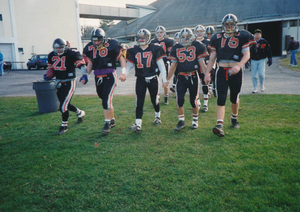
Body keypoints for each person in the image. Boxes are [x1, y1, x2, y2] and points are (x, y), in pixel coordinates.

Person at [206, 14, 255, 137]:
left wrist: (239, 66)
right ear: (223, 25)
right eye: (227, 24)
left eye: (231, 24)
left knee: (234, 97)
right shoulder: (216, 37)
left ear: (235, 25)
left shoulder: (242, 36)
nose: (229, 27)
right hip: (221, 70)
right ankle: (219, 125)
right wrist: (207, 73)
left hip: (236, 70)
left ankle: (234, 118)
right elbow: (212, 57)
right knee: (221, 98)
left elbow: (246, 54)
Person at [82, 28, 126, 135]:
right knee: (104, 98)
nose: (96, 42)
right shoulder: (89, 47)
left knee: (106, 99)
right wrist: (85, 75)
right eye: (94, 40)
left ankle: (107, 123)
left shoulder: (113, 44)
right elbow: (90, 62)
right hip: (97, 76)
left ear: (104, 38)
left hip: (110, 75)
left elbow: (121, 58)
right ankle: (112, 119)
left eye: (98, 40)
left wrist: (123, 72)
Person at [165, 28, 209, 131]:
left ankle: (195, 120)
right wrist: (167, 79)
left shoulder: (198, 45)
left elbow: (202, 63)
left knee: (193, 101)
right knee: (179, 100)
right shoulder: (176, 47)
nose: (185, 39)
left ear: (192, 37)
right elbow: (173, 66)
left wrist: (207, 74)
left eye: (187, 37)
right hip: (181, 76)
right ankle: (181, 121)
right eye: (183, 37)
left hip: (193, 75)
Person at [125, 28, 167, 132]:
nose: (142, 39)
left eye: (144, 37)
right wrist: (124, 73)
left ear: (148, 38)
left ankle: (157, 116)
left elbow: (161, 65)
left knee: (154, 100)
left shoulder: (155, 48)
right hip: (140, 79)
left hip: (153, 78)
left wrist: (164, 79)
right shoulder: (133, 49)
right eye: (140, 37)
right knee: (139, 102)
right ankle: (138, 124)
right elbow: (129, 65)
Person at [43, 38, 87, 135]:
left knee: (63, 106)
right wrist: (48, 75)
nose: (58, 50)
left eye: (60, 48)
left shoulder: (72, 53)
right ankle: (80, 113)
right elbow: (51, 69)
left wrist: (84, 74)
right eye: (56, 48)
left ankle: (64, 126)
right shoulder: (51, 55)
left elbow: (81, 65)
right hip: (59, 82)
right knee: (65, 104)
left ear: (65, 47)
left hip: (69, 82)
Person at [151, 26, 174, 105]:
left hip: (164, 61)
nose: (159, 34)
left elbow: (170, 53)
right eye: (158, 32)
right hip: (155, 62)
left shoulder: (168, 41)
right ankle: (157, 96)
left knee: (165, 80)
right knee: (155, 80)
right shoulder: (152, 41)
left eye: (161, 32)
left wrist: (169, 61)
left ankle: (166, 96)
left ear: (164, 33)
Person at [194, 24, 211, 112]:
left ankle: (205, 104)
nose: (199, 33)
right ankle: (198, 102)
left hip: (204, 65)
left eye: (201, 31)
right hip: (194, 65)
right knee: (195, 85)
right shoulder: (192, 42)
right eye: (197, 31)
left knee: (205, 84)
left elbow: (211, 54)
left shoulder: (208, 42)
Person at [250, 29, 272, 93]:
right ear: (254, 35)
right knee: (254, 75)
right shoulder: (251, 42)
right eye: (256, 34)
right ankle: (255, 87)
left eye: (258, 34)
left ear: (261, 35)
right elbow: (247, 51)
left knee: (261, 74)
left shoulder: (264, 42)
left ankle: (262, 85)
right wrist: (247, 60)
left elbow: (268, 50)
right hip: (253, 59)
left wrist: (270, 58)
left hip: (261, 59)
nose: (257, 35)